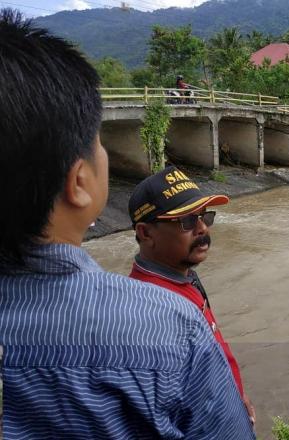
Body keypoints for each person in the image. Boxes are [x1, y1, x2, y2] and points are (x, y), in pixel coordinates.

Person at [0, 9, 255, 439]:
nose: (202, 228)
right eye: (97, 143)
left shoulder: (181, 291)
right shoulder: (165, 323)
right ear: (79, 181)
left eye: (204, 217)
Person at [128, 166, 256, 425]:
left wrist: (236, 396)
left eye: (204, 217)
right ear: (146, 233)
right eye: (187, 221)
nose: (202, 229)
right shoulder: (154, 311)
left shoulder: (183, 277)